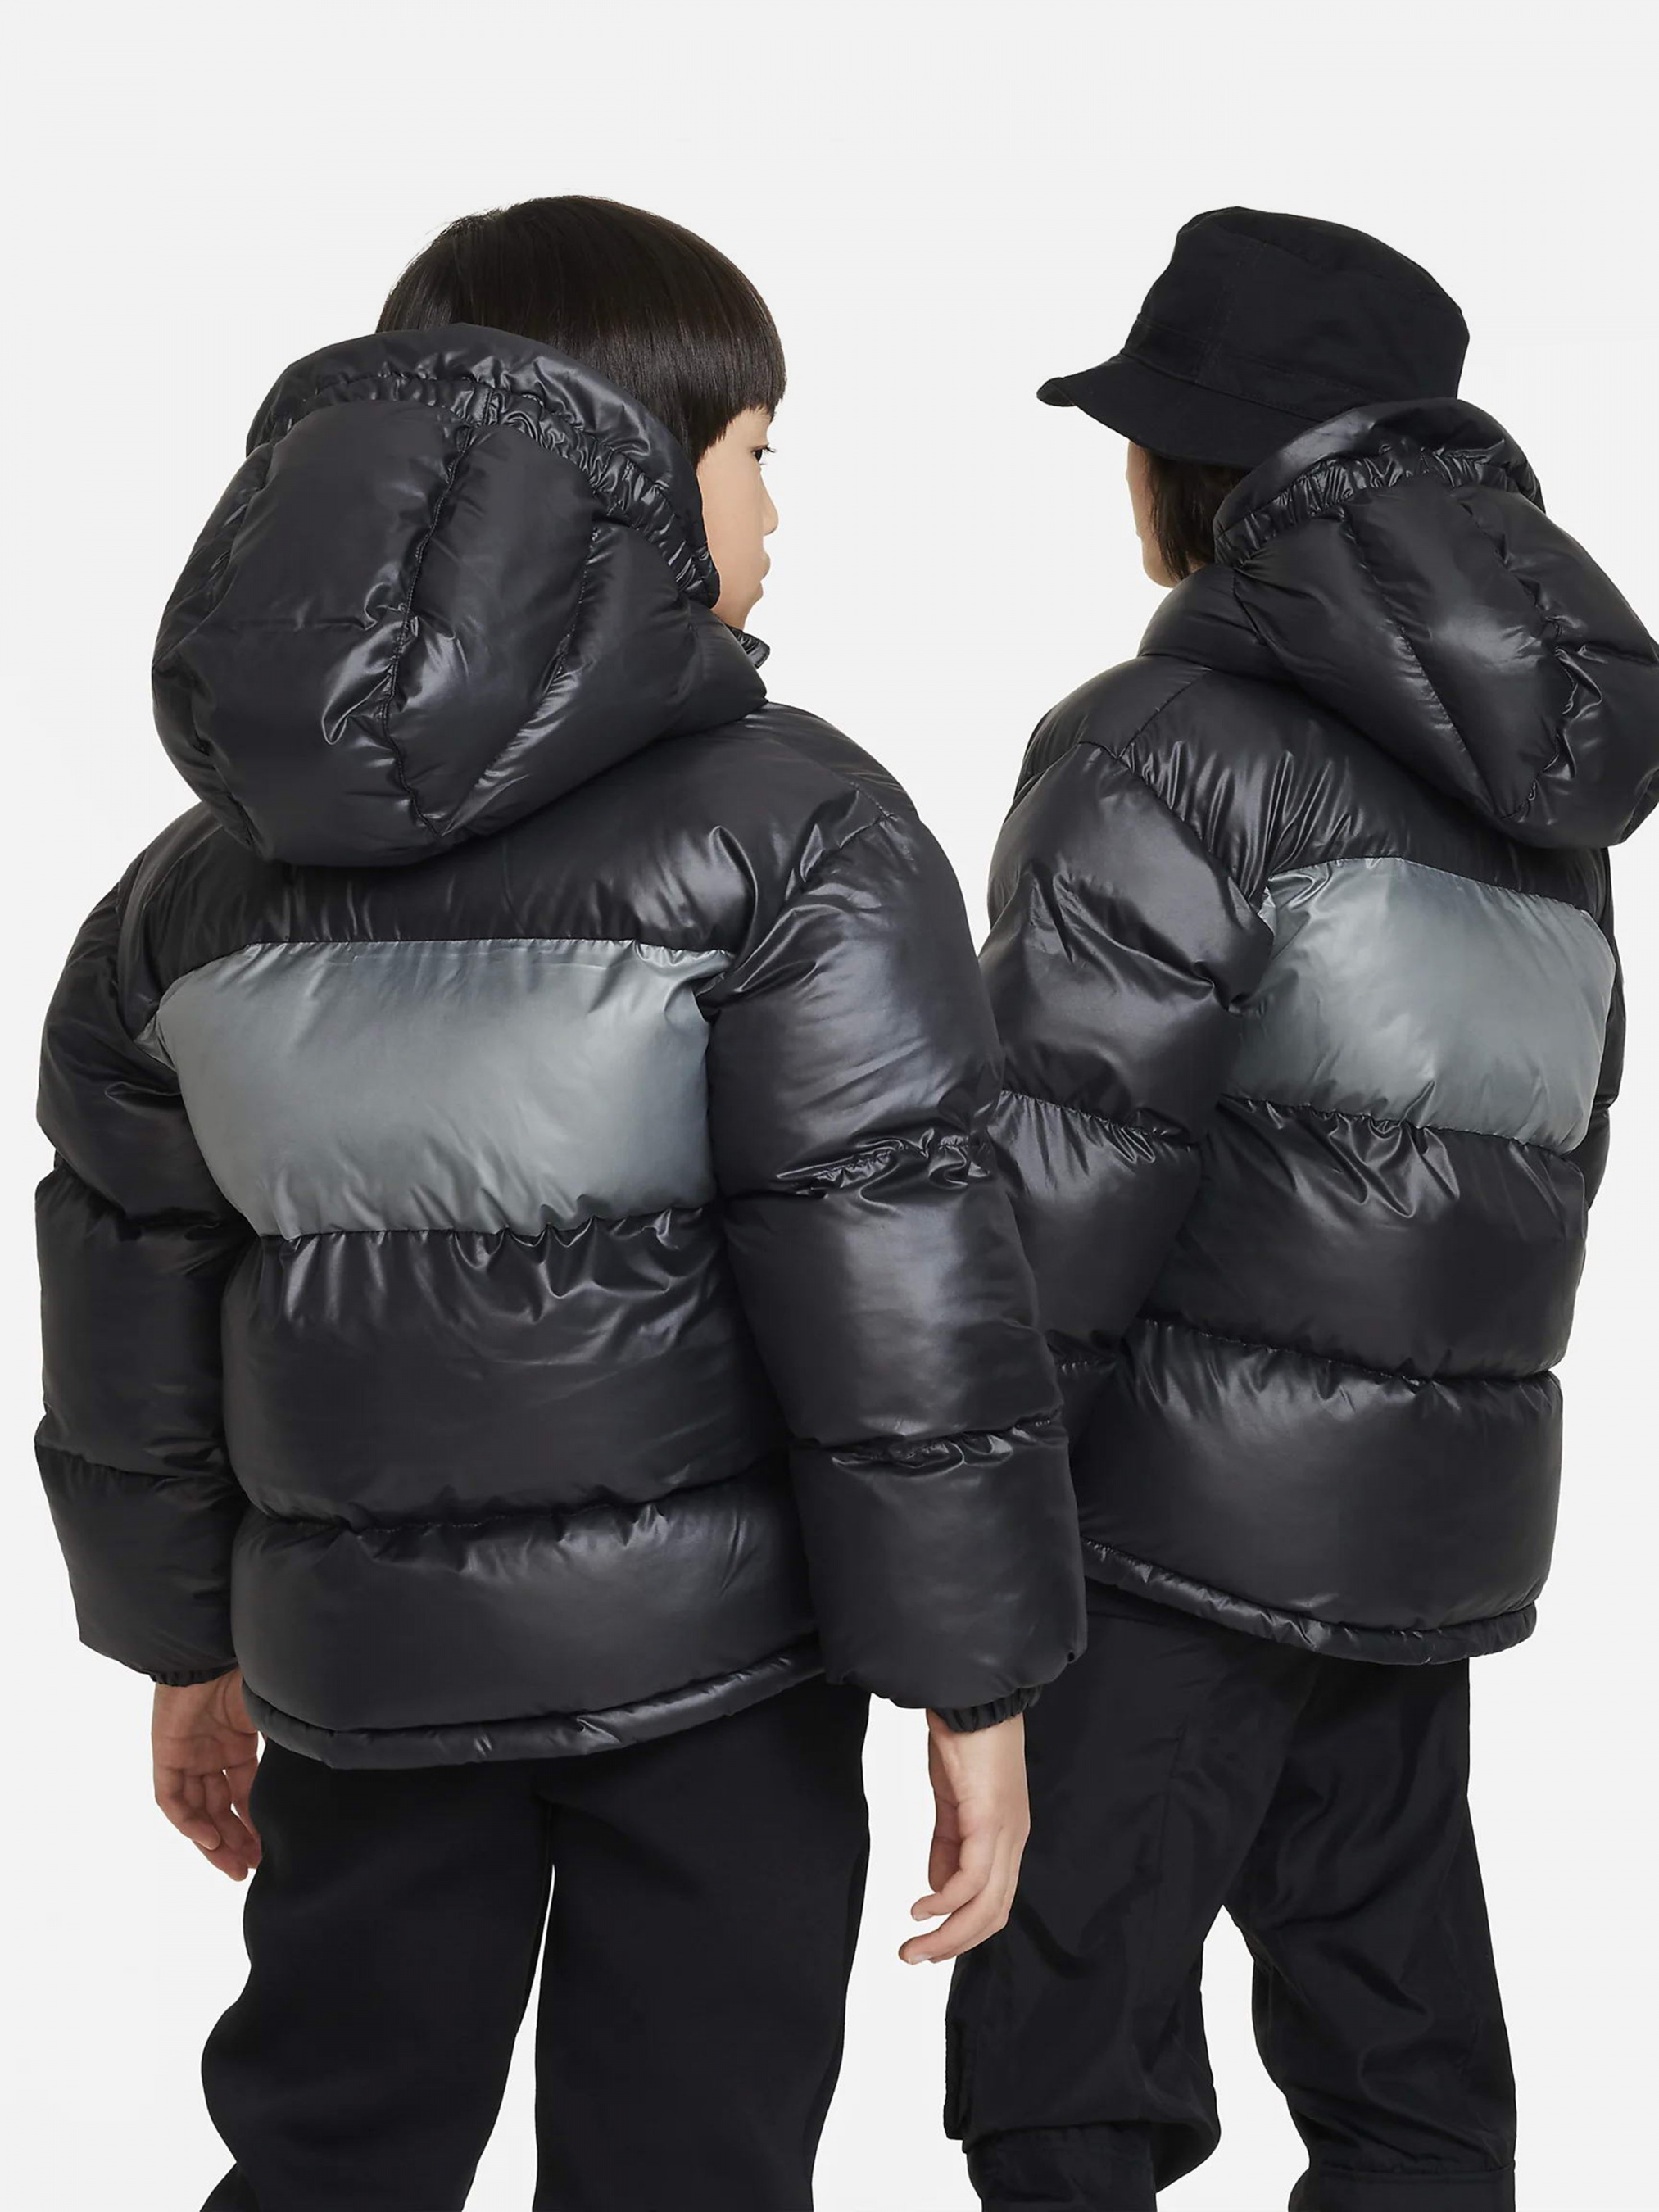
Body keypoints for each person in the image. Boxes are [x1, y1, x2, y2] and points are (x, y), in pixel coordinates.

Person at [34, 194, 1086, 2212]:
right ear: (631, 481)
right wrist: (975, 1678)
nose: (776, 510)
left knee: (329, 2154)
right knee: (689, 2163)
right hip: (717, 1685)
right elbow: (895, 1278)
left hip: (355, 1680)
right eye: (755, 450)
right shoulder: (797, 832)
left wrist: (181, 1642)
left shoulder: (186, 893)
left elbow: (128, 1292)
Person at [949, 207, 1659, 2212]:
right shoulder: (1534, 803)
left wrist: (956, 1525)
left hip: (1155, 1537)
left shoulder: (1160, 750)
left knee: (1064, 2068)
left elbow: (1057, 1175)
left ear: (1189, 473)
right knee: (1405, 2071)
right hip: (1421, 1536)